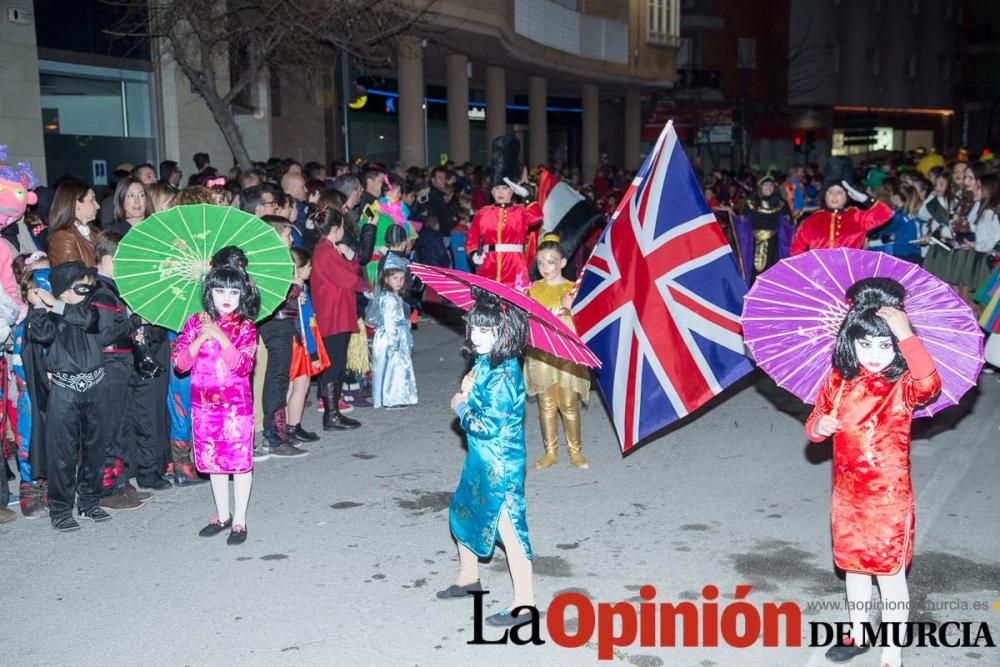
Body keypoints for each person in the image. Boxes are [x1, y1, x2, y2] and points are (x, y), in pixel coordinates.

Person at [805, 278, 941, 667]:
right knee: (854, 570)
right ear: (851, 340)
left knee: (890, 575)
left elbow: (930, 384)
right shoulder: (840, 379)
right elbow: (814, 420)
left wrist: (906, 335)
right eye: (866, 344)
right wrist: (820, 427)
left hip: (888, 499)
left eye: (886, 345)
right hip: (846, 497)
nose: (876, 355)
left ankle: (891, 652)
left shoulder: (903, 383)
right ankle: (858, 631)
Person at [438, 288, 534, 628]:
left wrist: (460, 406)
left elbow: (485, 426)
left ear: (504, 334)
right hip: (480, 460)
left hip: (500, 463)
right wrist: (469, 387)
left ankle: (524, 604)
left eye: (486, 330)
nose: (476, 336)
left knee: (510, 531)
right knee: (463, 511)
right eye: (474, 328)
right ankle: (469, 578)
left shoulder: (505, 375)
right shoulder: (485, 361)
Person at [26, 261, 130, 532]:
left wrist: (55, 305)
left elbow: (89, 321)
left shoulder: (89, 310)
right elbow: (39, 334)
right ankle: (60, 510)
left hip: (96, 386)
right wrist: (39, 307)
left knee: (95, 450)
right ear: (63, 290)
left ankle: (88, 501)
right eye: (81, 285)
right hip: (65, 390)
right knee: (61, 454)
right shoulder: (47, 316)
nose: (88, 289)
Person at [172, 263, 259, 545]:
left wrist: (221, 337)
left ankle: (240, 520)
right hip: (203, 406)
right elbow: (180, 364)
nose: (226, 297)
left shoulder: (245, 327)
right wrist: (199, 339)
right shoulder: (195, 322)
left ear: (242, 294)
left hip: (235, 408)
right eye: (220, 289)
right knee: (214, 463)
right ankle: (223, 515)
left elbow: (243, 366)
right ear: (209, 292)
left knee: (238, 463)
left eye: (234, 291)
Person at [524, 235, 591, 469]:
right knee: (546, 405)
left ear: (562, 262)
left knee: (568, 404)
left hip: (565, 355)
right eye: (541, 263)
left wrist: (571, 308)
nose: (545, 268)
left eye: (551, 262)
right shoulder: (533, 290)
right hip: (541, 356)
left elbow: (585, 324)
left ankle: (575, 451)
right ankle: (550, 451)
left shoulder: (572, 289)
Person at [311, 207, 363, 431]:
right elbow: (349, 280)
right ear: (335, 228)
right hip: (333, 315)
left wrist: (351, 257)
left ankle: (334, 412)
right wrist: (362, 283)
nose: (343, 229)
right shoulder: (325, 250)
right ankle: (331, 415)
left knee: (337, 363)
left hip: (337, 312)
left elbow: (347, 272)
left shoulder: (329, 249)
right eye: (341, 226)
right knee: (333, 365)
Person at [467, 137, 541, 287]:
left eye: (505, 188)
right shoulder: (483, 213)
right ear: (491, 191)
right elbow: (472, 239)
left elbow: (537, 218)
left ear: (512, 191)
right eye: (496, 188)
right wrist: (474, 254)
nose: (500, 192)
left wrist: (527, 196)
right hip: (488, 266)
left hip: (515, 267)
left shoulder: (520, 211)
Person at [286, 248, 326, 443]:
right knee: (300, 386)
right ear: (299, 270)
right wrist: (313, 353)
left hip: (292, 341)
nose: (311, 269)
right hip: (300, 343)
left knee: (291, 387)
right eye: (308, 266)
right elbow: (303, 325)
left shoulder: (290, 289)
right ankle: (293, 426)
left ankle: (287, 425)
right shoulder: (298, 292)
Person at [789, 180, 893, 255]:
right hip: (820, 274)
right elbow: (796, 248)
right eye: (830, 192)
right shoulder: (812, 220)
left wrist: (866, 199)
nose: (834, 196)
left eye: (839, 192)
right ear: (824, 196)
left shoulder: (856, 216)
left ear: (846, 196)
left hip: (851, 272)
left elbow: (886, 213)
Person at [726, 177, 795, 285]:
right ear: (760, 187)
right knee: (753, 269)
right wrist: (731, 213)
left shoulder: (781, 204)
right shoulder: (750, 202)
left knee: (772, 269)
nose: (769, 188)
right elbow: (743, 222)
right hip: (753, 242)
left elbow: (788, 223)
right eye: (765, 185)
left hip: (774, 243)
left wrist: (796, 218)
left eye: (771, 185)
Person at [370, 254, 417, 409]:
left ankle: (398, 395)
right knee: (392, 368)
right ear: (386, 279)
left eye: (401, 278)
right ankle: (390, 398)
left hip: (398, 335)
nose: (399, 282)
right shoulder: (389, 299)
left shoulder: (395, 297)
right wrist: (394, 343)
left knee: (399, 368)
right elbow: (390, 322)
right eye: (395, 278)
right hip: (391, 338)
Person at [47, 180, 100, 267]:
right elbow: (75, 277)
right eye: (92, 200)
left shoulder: (95, 232)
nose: (98, 206)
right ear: (77, 205)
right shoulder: (62, 238)